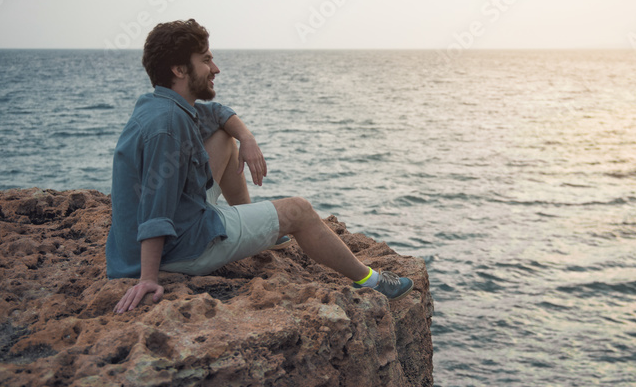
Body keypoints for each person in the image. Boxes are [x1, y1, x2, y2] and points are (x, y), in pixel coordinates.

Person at [106, 19, 413, 313]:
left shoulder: (160, 105)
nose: (216, 69)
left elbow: (214, 113)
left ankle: (257, 232)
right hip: (180, 248)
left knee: (225, 139)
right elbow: (155, 208)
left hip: (178, 221)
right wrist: (147, 278)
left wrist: (246, 137)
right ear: (179, 69)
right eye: (206, 60)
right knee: (299, 211)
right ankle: (371, 281)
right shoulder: (168, 126)